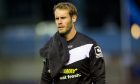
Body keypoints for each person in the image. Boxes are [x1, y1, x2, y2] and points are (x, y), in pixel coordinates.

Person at [40, 2, 105, 84]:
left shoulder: (89, 45)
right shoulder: (51, 47)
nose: (59, 22)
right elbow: (45, 80)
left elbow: (100, 80)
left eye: (63, 18)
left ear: (73, 18)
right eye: (57, 18)